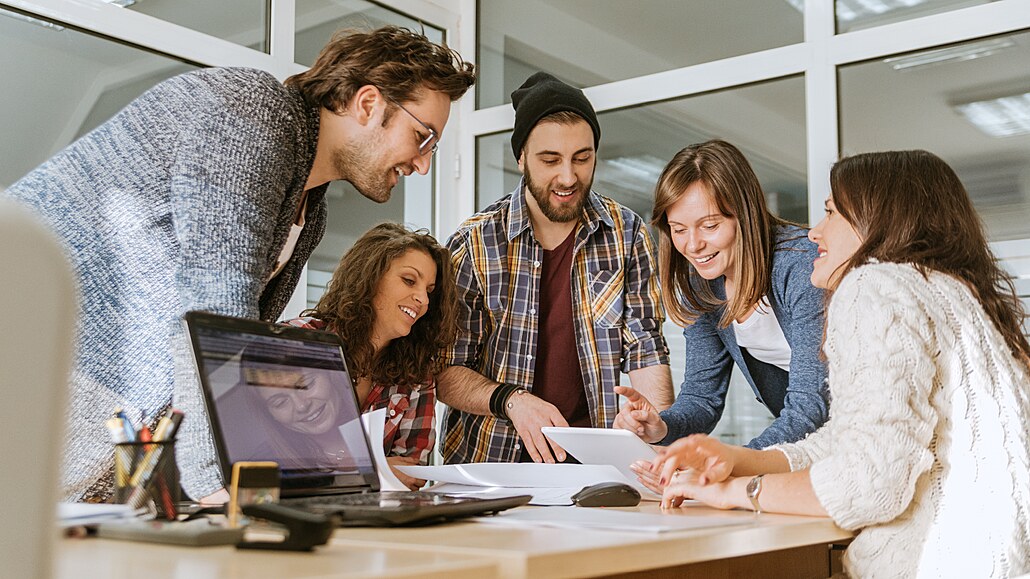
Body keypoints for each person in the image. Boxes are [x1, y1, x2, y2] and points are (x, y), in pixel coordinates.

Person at [1, 26, 475, 501]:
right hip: (29, 363)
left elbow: (220, 346)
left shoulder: (310, 209)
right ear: (368, 103)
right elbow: (217, 307)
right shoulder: (253, 113)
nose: (423, 164)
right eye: (424, 136)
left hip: (92, 411)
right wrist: (221, 485)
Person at [652, 150, 1030, 578]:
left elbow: (868, 481)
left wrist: (742, 490)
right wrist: (739, 461)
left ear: (878, 222)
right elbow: (851, 439)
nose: (813, 232)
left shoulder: (872, 286)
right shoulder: (953, 293)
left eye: (831, 213)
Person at [438, 72, 674, 465]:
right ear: (521, 159)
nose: (568, 176)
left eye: (582, 158)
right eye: (550, 160)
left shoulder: (626, 233)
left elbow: (645, 349)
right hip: (492, 464)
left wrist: (658, 431)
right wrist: (512, 400)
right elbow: (447, 371)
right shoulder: (474, 243)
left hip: (595, 465)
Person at [612, 140, 829, 490]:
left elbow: (809, 407)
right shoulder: (704, 284)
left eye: (709, 225)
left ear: (744, 215)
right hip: (810, 450)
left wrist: (724, 465)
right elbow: (701, 399)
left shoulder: (800, 265)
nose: (692, 245)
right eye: (679, 229)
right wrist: (660, 427)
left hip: (861, 438)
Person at [281, 223, 458, 490]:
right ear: (370, 277)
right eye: (409, 281)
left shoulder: (418, 373)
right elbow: (266, 454)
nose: (422, 298)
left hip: (372, 518)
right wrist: (377, 468)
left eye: (429, 291)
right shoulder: (295, 342)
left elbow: (411, 473)